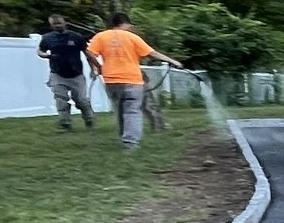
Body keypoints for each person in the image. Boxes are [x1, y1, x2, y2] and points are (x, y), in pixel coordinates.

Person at [86, 12, 180, 150]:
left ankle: (123, 137)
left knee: (119, 110)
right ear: (125, 23)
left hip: (111, 80)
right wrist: (172, 61)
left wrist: (98, 67)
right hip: (133, 80)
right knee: (132, 111)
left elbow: (89, 52)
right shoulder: (132, 37)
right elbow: (152, 53)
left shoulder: (101, 36)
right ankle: (130, 143)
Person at [35, 15, 94, 130]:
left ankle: (89, 119)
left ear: (65, 23)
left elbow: (87, 53)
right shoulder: (47, 38)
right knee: (60, 99)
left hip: (76, 74)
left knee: (81, 100)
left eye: (59, 24)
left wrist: (93, 68)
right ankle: (65, 124)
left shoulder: (76, 37)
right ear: (51, 25)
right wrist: (45, 55)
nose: (58, 26)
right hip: (57, 74)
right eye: (55, 24)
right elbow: (40, 50)